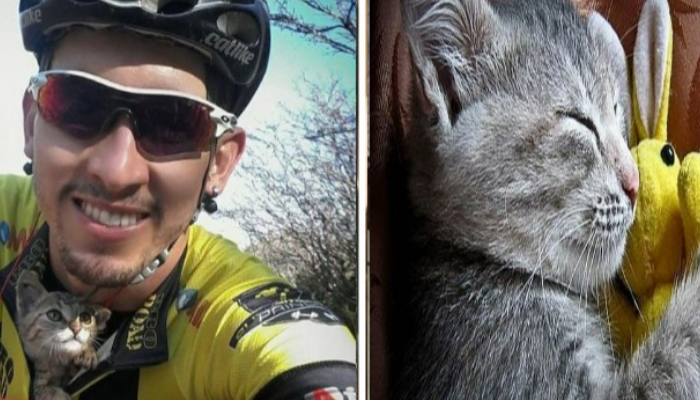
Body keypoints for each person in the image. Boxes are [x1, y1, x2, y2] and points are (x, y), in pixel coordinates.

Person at [0, 0, 357, 399]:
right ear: (32, 123)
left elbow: (304, 362)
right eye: (78, 105)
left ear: (219, 164)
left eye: (173, 123)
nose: (117, 171)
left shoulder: (235, 325)